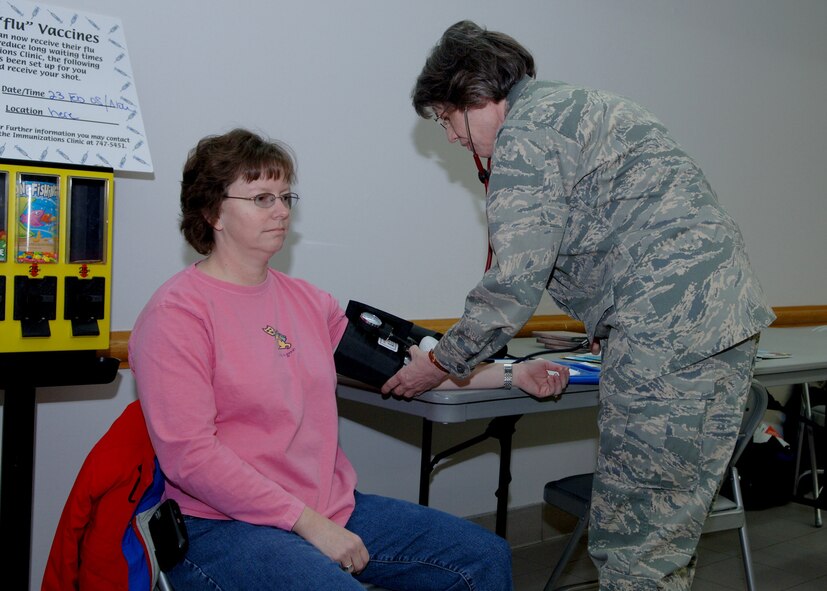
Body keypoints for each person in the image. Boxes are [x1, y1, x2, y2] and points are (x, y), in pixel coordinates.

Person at [382, 20, 776, 591]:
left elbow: (514, 279)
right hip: (716, 325)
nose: (451, 138)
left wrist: (443, 361)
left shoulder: (526, 133)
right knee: (667, 533)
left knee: (633, 543)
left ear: (473, 94)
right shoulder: (578, 107)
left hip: (666, 337)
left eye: (446, 119)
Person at [129, 128, 570, 591]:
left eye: (285, 196)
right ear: (213, 212)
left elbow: (406, 370)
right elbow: (191, 459)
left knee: (483, 556)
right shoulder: (176, 315)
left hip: (328, 507)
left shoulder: (306, 301)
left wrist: (512, 373)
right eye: (261, 198)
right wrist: (307, 523)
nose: (281, 211)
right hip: (223, 526)